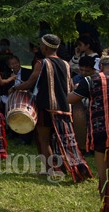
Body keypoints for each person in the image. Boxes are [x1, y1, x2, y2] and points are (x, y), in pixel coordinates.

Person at [12, 34, 92, 182]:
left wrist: (15, 88)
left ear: (46, 47)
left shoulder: (41, 63)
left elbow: (30, 83)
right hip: (64, 107)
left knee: (44, 140)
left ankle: (50, 171)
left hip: (46, 108)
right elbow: (69, 86)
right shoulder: (66, 64)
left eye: (42, 46)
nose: (41, 48)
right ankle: (70, 168)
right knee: (64, 140)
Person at [68, 55, 109, 208]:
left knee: (103, 175)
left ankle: (105, 204)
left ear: (100, 67)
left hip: (101, 131)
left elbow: (71, 99)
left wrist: (71, 88)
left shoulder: (90, 80)